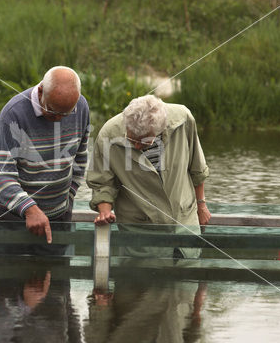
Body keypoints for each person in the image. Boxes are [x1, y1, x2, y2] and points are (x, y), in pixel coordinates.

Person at [86, 94, 210, 258]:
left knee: (188, 279)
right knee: (140, 280)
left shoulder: (184, 119)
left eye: (143, 142)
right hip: (139, 233)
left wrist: (201, 205)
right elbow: (102, 183)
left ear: (161, 129)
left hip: (184, 225)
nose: (136, 145)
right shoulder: (108, 134)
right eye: (131, 139)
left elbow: (197, 168)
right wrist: (105, 212)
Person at [0, 66, 89, 255]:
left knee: (55, 279)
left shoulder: (80, 106)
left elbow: (80, 159)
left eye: (66, 113)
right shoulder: (13, 113)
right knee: (5, 279)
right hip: (9, 216)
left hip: (58, 216)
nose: (59, 119)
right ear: (41, 91)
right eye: (53, 111)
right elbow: (1, 175)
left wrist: (68, 198)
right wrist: (29, 209)